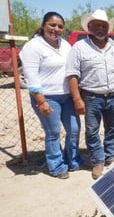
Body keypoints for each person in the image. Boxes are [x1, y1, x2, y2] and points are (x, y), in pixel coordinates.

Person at [19, 11, 83, 179]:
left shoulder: (65, 45)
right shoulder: (33, 47)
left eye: (60, 26)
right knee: (53, 132)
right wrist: (41, 101)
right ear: (43, 25)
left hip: (67, 96)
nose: (56, 29)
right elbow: (31, 76)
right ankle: (56, 165)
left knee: (74, 129)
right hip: (47, 97)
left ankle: (73, 160)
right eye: (52, 25)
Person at [66, 9, 114, 180]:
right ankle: (98, 161)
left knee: (113, 128)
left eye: (104, 25)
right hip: (91, 97)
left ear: (108, 28)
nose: (100, 28)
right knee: (92, 131)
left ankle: (111, 157)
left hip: (113, 96)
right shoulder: (79, 47)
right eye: (97, 25)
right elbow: (72, 74)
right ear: (89, 27)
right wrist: (77, 99)